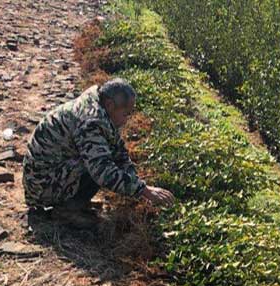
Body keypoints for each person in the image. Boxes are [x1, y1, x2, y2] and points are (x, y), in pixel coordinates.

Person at [22, 78, 174, 227]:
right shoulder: (91, 122)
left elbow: (118, 151)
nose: (126, 120)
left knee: (103, 156)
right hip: (42, 184)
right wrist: (143, 191)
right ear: (110, 104)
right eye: (125, 114)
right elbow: (103, 172)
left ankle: (74, 200)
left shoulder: (100, 108)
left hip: (53, 172)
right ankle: (66, 210)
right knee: (98, 165)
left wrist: (134, 180)